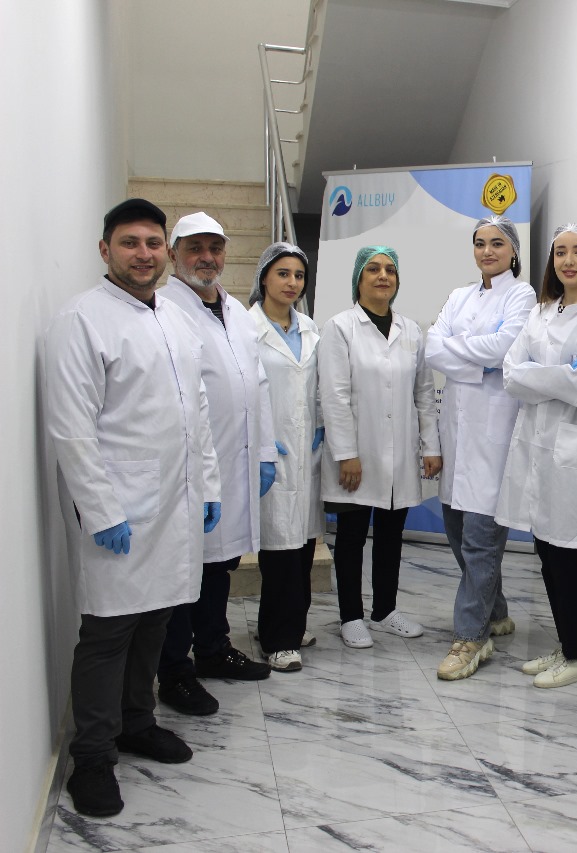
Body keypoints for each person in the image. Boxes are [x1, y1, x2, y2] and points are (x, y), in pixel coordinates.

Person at [45, 199, 222, 817]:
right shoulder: (82, 320)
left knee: (156, 619)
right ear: (106, 250)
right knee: (107, 631)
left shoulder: (174, 315)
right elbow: (72, 429)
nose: (143, 254)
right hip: (121, 506)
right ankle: (92, 757)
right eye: (129, 243)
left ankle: (136, 722)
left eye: (152, 243)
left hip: (175, 500)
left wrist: (209, 486)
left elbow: (197, 410)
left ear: (164, 251)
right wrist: (101, 511)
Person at [156, 212, 277, 716]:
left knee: (221, 564)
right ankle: (175, 671)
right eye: (195, 248)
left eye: (215, 248)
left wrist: (266, 451)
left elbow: (258, 383)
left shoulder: (237, 312)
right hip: (193, 468)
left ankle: (212, 648)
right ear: (173, 254)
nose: (207, 257)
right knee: (186, 572)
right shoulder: (165, 312)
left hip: (238, 460)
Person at [496, 224, 577, 688]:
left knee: (570, 560)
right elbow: (511, 374)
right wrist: (559, 374)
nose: (569, 261)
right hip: (539, 450)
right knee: (547, 554)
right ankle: (566, 643)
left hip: (576, 455)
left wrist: (540, 374)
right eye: (561, 252)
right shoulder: (541, 312)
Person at [425, 216, 536, 680]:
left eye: (497, 243)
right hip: (457, 432)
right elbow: (433, 348)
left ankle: (471, 637)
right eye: (479, 243)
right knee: (456, 529)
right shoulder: (458, 296)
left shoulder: (523, 296)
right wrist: (478, 363)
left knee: (480, 538)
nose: (487, 251)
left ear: (513, 251)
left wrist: (461, 352)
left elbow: (504, 350)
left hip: (494, 433)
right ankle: (497, 610)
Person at [319, 246, 442, 649]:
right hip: (358, 454)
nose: (383, 276)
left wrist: (430, 446)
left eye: (390, 269)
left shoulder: (411, 331)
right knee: (351, 537)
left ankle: (385, 610)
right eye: (373, 269)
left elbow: (423, 394)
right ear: (359, 279)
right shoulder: (340, 328)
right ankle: (351, 616)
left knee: (391, 535)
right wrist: (346, 454)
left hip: (400, 454)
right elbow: (334, 396)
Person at [248, 243, 324, 671]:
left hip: (306, 452)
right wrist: (260, 438)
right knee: (278, 548)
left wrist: (321, 427)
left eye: (298, 275)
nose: (292, 282)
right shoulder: (246, 328)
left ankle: (292, 625)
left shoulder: (309, 329)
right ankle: (277, 639)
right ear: (264, 278)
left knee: (303, 547)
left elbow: (319, 386)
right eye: (283, 273)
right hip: (270, 452)